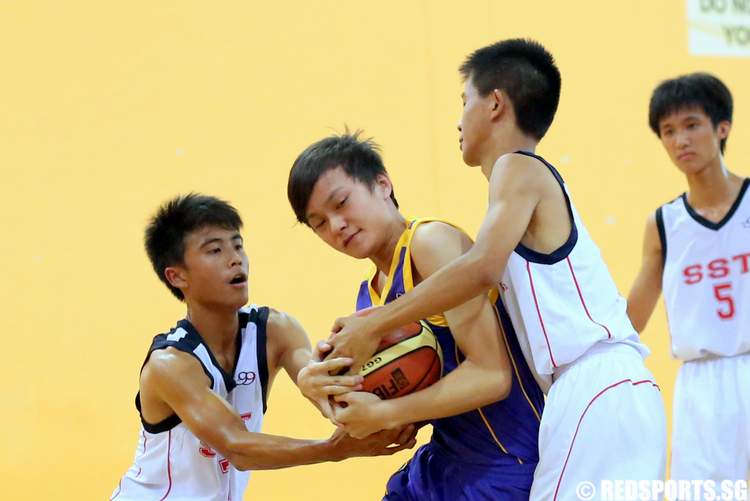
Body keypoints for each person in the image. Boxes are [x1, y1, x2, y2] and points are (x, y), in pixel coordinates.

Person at [323, 39, 667, 500]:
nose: (458, 118)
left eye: (464, 101)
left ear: (495, 104)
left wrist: (378, 324)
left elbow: (480, 268)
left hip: (595, 385)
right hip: (605, 387)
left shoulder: (517, 169)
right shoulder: (517, 191)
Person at [287, 132, 544, 500]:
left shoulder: (430, 242)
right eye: (320, 223)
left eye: (341, 203)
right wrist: (323, 391)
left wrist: (385, 414)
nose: (336, 225)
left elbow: (492, 377)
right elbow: (395, 423)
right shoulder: (370, 295)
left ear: (382, 184)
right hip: (443, 463)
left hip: (506, 462)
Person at [111, 193, 415, 501]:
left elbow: (329, 398)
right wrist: (334, 450)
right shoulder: (171, 364)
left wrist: (390, 402)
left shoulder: (276, 330)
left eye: (238, 245)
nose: (235, 258)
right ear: (177, 276)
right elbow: (236, 447)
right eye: (215, 250)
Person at [627, 73, 749, 483]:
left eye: (692, 125)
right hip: (700, 386)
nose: (681, 140)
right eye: (669, 131)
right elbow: (631, 322)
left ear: (722, 128)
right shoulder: (664, 224)